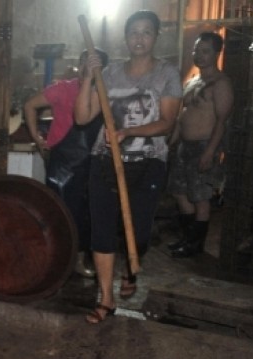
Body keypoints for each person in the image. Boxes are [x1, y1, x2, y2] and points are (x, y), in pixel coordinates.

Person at [74, 10, 182, 324]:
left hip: (148, 163)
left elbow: (166, 122)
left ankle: (130, 269)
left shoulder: (167, 74)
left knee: (140, 230)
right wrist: (87, 78)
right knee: (103, 229)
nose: (139, 38)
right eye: (133, 32)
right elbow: (82, 117)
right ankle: (105, 298)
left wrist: (127, 132)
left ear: (156, 36)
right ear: (125, 37)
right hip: (105, 161)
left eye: (146, 32)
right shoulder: (109, 75)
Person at [24, 48, 109, 278]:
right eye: (83, 61)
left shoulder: (104, 93)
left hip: (93, 160)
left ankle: (80, 259)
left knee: (87, 212)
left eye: (92, 63)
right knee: (60, 210)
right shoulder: (63, 88)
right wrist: (38, 138)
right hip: (62, 161)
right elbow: (30, 105)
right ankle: (57, 258)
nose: (86, 66)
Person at [167, 32, 233, 258]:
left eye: (205, 51)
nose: (199, 55)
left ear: (216, 53)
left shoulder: (221, 83)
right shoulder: (192, 81)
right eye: (197, 50)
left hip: (204, 145)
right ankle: (188, 238)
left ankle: (195, 245)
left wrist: (210, 151)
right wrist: (172, 142)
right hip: (185, 146)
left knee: (200, 196)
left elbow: (222, 121)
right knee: (179, 191)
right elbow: (181, 116)